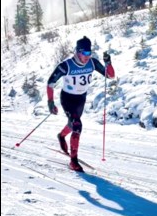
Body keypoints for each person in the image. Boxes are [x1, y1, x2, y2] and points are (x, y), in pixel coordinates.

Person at [46, 36, 115, 171]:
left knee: (73, 124)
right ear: (77, 52)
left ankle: (61, 136)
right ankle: (73, 161)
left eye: (89, 53)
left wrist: (108, 63)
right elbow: (50, 83)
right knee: (77, 125)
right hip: (67, 99)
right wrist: (50, 102)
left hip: (80, 99)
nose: (87, 57)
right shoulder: (66, 65)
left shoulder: (93, 63)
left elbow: (110, 76)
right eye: (84, 53)